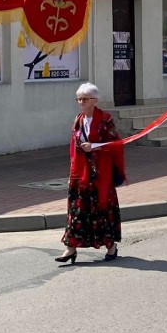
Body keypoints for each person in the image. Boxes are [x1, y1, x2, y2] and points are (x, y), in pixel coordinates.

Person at [57, 82, 125, 263]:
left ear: (94, 101)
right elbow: (73, 146)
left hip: (100, 175)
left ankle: (111, 247)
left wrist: (94, 146)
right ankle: (70, 248)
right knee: (77, 211)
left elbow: (116, 143)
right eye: (78, 99)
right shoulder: (78, 119)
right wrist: (72, 171)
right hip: (80, 174)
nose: (80, 102)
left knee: (101, 210)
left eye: (84, 99)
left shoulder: (105, 119)